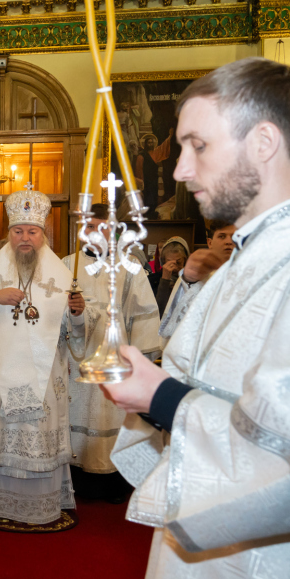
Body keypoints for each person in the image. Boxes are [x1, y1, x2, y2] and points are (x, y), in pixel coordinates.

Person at [102, 57, 290, 579]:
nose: (179, 169)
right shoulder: (243, 261)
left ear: (263, 141)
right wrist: (153, 388)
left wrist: (162, 398)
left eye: (197, 145)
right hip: (199, 566)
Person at [0, 188, 92, 528]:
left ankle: (39, 506)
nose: (25, 237)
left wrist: (77, 313)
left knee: (36, 430)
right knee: (1, 431)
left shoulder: (61, 273)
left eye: (32, 231)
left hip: (45, 374)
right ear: (9, 233)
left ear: (43, 234)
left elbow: (77, 331)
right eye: (18, 231)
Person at [61, 203, 161, 503]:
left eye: (101, 226)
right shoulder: (66, 265)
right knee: (75, 416)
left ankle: (112, 482)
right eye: (89, 226)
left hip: (114, 360)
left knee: (110, 416)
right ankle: (72, 478)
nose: (94, 232)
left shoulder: (129, 267)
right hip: (73, 358)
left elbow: (143, 316)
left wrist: (139, 365)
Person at [157, 219, 235, 348]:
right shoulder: (193, 275)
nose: (228, 241)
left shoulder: (251, 273)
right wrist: (189, 281)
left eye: (234, 237)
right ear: (210, 242)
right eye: (222, 236)